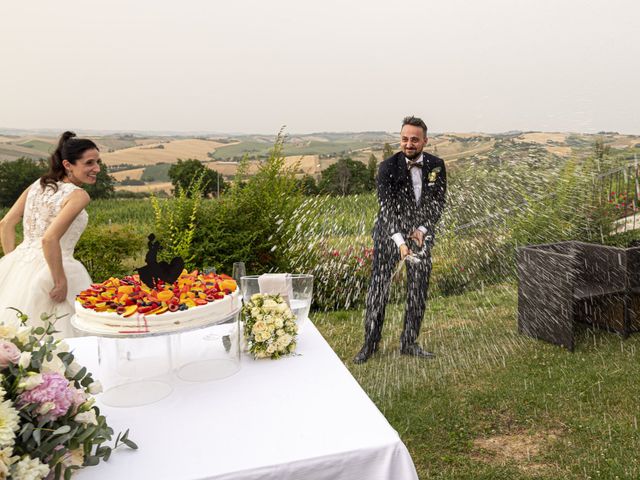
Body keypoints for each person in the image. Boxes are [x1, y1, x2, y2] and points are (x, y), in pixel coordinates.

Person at [354, 116, 447, 364]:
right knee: (378, 290)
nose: (409, 144)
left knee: (418, 291)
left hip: (420, 238)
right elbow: (387, 208)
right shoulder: (387, 167)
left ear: (425, 141)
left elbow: (437, 204)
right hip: (389, 236)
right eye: (405, 139)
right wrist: (400, 242)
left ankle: (409, 342)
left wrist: (422, 229)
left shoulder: (437, 165)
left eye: (414, 139)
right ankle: (370, 344)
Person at [0, 131, 100, 337]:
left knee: (17, 333)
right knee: (59, 335)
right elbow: (49, 239)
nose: (97, 169)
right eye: (89, 163)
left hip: (20, 264)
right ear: (67, 164)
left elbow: (6, 224)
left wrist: (14, 260)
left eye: (98, 162)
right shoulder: (78, 195)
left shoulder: (37, 185)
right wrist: (60, 281)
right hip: (55, 267)